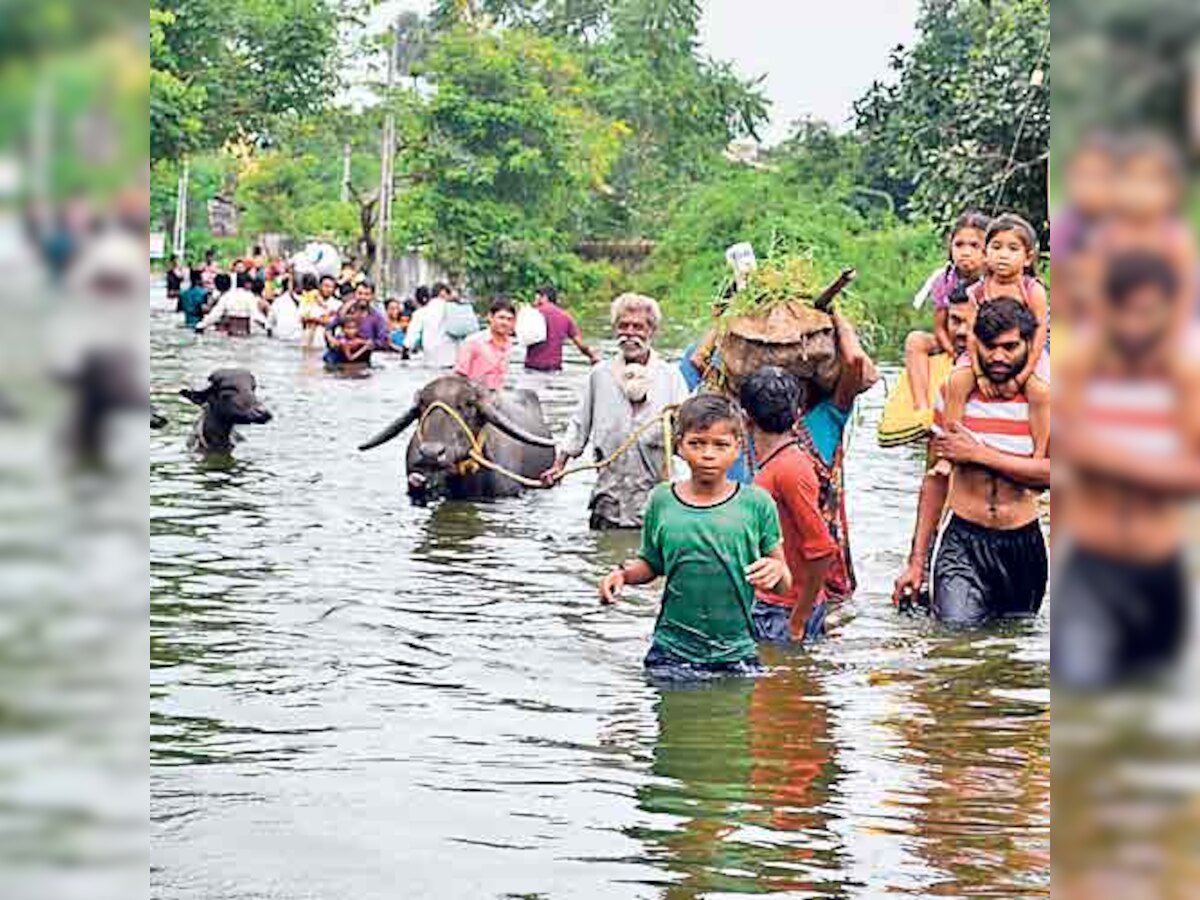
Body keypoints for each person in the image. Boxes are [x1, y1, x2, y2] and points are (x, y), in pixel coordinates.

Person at [1053, 251, 1200, 688]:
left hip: (1160, 564)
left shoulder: (1184, 378)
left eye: (1153, 314)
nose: (1141, 326)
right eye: (1131, 312)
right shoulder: (1080, 370)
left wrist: (1116, 460)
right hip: (1092, 565)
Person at [598, 394, 791, 680]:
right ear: (679, 446)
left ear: (738, 448)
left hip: (735, 653)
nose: (708, 454)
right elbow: (652, 564)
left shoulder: (757, 504)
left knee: (734, 723)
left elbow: (784, 585)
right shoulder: (662, 499)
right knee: (673, 722)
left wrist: (776, 572)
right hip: (671, 653)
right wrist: (622, 575)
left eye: (720, 445)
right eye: (697, 443)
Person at [893, 298, 1050, 626]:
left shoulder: (1045, 401)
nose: (998, 357)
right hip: (963, 539)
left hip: (1024, 545)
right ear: (976, 343)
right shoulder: (955, 393)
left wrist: (979, 455)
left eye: (1010, 347)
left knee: (1012, 650)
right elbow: (936, 480)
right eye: (990, 346)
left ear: (1028, 344)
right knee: (956, 640)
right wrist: (916, 562)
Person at [542, 293, 690, 529]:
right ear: (614, 330)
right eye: (623, 326)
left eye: (638, 327)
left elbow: (688, 433)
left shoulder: (670, 377)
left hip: (653, 503)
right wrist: (559, 465)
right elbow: (579, 425)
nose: (630, 333)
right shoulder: (600, 375)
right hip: (608, 498)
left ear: (652, 331)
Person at [740, 367, 841, 644]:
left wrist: (798, 619)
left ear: (745, 418)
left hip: (783, 609)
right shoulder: (779, 464)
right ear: (797, 415)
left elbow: (822, 550)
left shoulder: (788, 469)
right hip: (776, 603)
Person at [944, 214, 1050, 462]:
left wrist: (1023, 376)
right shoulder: (978, 291)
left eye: (1013, 249)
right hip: (982, 353)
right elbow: (972, 334)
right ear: (986, 253)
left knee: (1041, 392)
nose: (1003, 255)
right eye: (996, 247)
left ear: (1028, 258)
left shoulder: (1032, 290)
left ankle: (1040, 454)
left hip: (1027, 353)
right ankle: (949, 451)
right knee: (957, 381)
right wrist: (980, 373)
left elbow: (1039, 333)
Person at [902, 212, 990, 419]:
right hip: (954, 339)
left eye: (974, 246)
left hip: (985, 342)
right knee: (915, 341)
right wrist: (951, 351)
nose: (965, 252)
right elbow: (940, 327)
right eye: (959, 245)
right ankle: (921, 408)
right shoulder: (944, 279)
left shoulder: (995, 278)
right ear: (950, 248)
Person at [523, 285, 601, 372]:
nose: (534, 301)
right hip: (554, 368)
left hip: (532, 367)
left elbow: (519, 335)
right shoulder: (566, 317)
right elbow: (581, 345)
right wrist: (592, 356)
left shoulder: (533, 314)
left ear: (544, 297)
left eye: (536, 298)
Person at [455, 297, 516, 391]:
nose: (505, 323)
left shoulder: (511, 345)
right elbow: (459, 376)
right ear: (490, 317)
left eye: (509, 319)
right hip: (475, 398)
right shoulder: (473, 342)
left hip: (500, 397)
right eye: (501, 318)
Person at [404, 282, 459, 368]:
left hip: (431, 360)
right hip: (453, 360)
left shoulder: (421, 312)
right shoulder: (455, 309)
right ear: (443, 293)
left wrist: (405, 354)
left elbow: (410, 339)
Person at [195, 271, 266, 334]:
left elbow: (215, 314)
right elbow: (256, 315)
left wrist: (201, 325)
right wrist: (267, 326)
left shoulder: (227, 296)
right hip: (245, 334)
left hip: (231, 334)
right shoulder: (250, 296)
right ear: (246, 284)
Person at [329, 281, 390, 350]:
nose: (362, 297)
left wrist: (362, 342)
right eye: (360, 293)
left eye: (367, 294)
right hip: (342, 354)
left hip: (365, 356)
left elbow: (382, 341)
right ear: (355, 294)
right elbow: (329, 328)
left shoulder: (377, 317)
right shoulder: (346, 311)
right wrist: (332, 339)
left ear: (372, 296)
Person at [266, 274, 302, 340]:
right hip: (297, 338)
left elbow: (269, 325)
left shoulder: (276, 302)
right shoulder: (300, 300)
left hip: (281, 338)